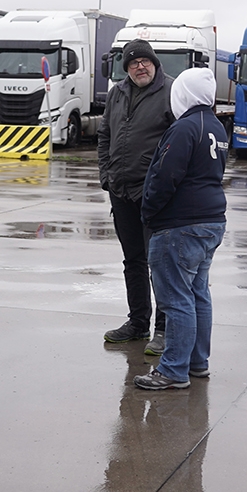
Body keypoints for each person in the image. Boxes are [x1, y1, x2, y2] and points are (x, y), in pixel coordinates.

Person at [135, 67, 227, 391]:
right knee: (198, 293)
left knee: (176, 298)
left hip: (180, 225)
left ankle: (174, 369)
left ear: (183, 94)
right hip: (211, 221)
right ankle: (197, 361)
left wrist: (148, 211)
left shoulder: (185, 127)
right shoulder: (215, 126)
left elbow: (165, 176)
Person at [97, 39, 175, 355]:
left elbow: (178, 142)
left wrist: (163, 186)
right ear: (126, 68)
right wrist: (106, 175)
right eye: (132, 63)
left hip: (153, 194)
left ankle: (164, 329)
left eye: (144, 61)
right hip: (121, 191)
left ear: (154, 63)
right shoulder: (117, 93)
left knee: (161, 264)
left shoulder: (171, 91)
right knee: (133, 261)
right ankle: (138, 322)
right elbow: (105, 135)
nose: (139, 67)